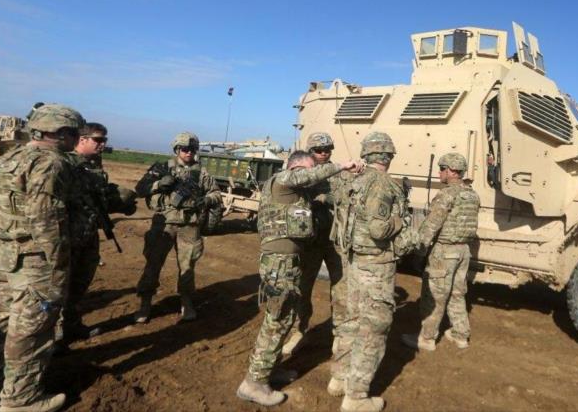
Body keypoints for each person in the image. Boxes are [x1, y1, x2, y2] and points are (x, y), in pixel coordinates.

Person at [0, 104, 84, 412]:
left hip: (5, 253)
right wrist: (59, 267)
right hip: (36, 260)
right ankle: (20, 399)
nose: (77, 139)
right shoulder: (52, 164)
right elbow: (46, 221)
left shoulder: (10, 157)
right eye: (75, 133)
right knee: (31, 331)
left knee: (2, 322)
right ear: (61, 133)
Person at [236, 150, 362, 407]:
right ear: (294, 168)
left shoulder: (294, 194)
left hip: (288, 263)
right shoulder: (283, 180)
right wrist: (341, 165)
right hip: (279, 263)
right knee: (278, 321)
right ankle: (254, 383)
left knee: (286, 317)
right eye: (305, 171)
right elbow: (310, 175)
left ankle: (268, 372)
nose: (309, 177)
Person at [334, 131, 410, 412]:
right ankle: (356, 397)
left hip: (354, 261)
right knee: (374, 328)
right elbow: (379, 229)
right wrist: (401, 220)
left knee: (351, 321)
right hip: (375, 265)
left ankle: (339, 379)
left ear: (366, 154)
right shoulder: (383, 185)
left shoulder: (355, 181)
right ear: (388, 156)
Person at [59, 123, 136, 348]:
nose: (103, 144)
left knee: (79, 285)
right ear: (82, 139)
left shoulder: (94, 166)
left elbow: (97, 199)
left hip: (88, 235)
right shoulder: (65, 165)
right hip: (68, 238)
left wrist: (119, 203)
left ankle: (71, 326)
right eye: (97, 140)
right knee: (60, 289)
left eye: (104, 140)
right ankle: (55, 337)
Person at [133, 132, 221, 323]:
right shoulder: (162, 168)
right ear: (177, 150)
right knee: (153, 263)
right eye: (185, 149)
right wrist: (158, 183)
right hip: (163, 224)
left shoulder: (202, 173)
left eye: (193, 149)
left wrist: (205, 199)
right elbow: (140, 189)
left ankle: (186, 302)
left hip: (189, 225)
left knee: (188, 265)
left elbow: (216, 195)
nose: (189, 152)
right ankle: (145, 304)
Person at [282, 132, 353, 356]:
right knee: (301, 288)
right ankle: (299, 330)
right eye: (319, 150)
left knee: (341, 289)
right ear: (310, 151)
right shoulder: (300, 173)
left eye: (328, 149)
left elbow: (350, 201)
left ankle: (340, 334)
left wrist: (332, 199)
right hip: (309, 243)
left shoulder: (341, 173)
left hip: (335, 241)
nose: (324, 153)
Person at [401, 152, 480, 351]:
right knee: (457, 293)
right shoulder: (472, 194)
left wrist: (418, 251)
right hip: (463, 251)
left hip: (445, 251)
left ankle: (426, 339)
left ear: (451, 171)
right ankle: (460, 335)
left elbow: (431, 225)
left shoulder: (447, 194)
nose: (439, 173)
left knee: (434, 295)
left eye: (442, 169)